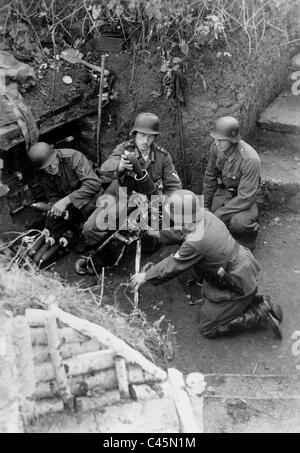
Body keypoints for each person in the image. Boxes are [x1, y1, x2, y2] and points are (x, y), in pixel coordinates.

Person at [130, 189, 283, 339]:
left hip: (235, 280)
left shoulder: (196, 243)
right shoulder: (205, 215)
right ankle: (250, 301)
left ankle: (258, 315)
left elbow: (174, 264)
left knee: (208, 328)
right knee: (195, 277)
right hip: (241, 265)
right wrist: (155, 232)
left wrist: (146, 276)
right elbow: (183, 232)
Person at [77, 112, 182, 274]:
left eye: (150, 137)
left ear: (155, 137)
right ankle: (107, 253)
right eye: (142, 135)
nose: (145, 141)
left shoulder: (162, 156)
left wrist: (163, 200)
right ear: (134, 134)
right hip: (121, 195)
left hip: (147, 202)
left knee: (150, 245)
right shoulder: (124, 149)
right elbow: (105, 168)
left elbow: (175, 186)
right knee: (90, 229)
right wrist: (119, 165)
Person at [203, 116, 263, 250]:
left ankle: (248, 238)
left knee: (238, 223)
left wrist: (218, 215)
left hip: (248, 198)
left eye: (221, 140)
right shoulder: (216, 148)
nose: (217, 143)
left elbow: (246, 197)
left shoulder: (250, 159)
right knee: (208, 216)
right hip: (225, 191)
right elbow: (210, 177)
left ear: (232, 139)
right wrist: (205, 206)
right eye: (215, 139)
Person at [28, 142, 103, 241]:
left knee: (89, 224)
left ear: (56, 155)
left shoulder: (73, 157)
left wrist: (66, 200)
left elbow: (94, 184)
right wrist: (48, 226)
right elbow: (54, 198)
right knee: (59, 225)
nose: (52, 167)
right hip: (73, 207)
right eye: (47, 167)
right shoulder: (43, 176)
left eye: (53, 161)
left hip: (93, 198)